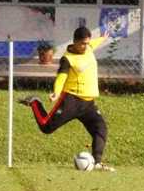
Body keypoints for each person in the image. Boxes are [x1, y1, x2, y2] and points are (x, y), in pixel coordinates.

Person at [18, 27, 115, 172]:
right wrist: (56, 93)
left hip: (88, 104)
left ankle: (97, 163)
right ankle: (35, 103)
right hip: (71, 100)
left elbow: (93, 44)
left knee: (101, 129)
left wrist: (102, 38)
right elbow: (61, 77)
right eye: (83, 43)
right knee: (46, 127)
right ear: (75, 42)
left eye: (87, 43)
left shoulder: (88, 48)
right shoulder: (68, 59)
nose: (85, 46)